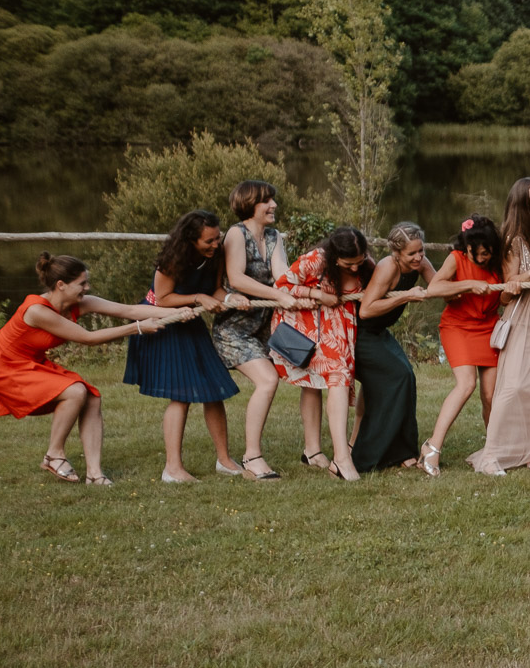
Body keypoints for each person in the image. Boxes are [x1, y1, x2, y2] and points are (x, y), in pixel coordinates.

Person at [0, 252, 188, 485]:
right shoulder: (38, 311)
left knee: (90, 397)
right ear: (61, 285)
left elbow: (129, 311)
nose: (87, 288)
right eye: (82, 283)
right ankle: (54, 454)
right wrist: (137, 329)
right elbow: (88, 338)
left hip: (29, 361)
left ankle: (94, 474)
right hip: (3, 365)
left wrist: (177, 313)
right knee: (75, 391)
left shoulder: (79, 303)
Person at [125, 209, 241, 481]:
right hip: (163, 321)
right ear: (191, 239)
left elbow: (216, 290)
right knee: (182, 393)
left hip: (191, 321)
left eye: (217, 238)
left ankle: (224, 460)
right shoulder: (171, 259)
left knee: (214, 389)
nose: (215, 245)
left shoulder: (217, 254)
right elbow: (162, 299)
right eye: (208, 241)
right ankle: (173, 469)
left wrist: (231, 299)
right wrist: (199, 298)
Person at [470, 177, 530, 475]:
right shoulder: (514, 240)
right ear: (522, 205)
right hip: (525, 315)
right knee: (516, 384)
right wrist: (529, 275)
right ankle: (493, 455)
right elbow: (507, 288)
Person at [270, 225, 374, 481]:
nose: (354, 268)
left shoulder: (365, 263)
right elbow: (281, 287)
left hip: (338, 327)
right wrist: (316, 293)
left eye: (358, 262)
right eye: (348, 263)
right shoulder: (315, 260)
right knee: (332, 380)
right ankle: (339, 458)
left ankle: (313, 452)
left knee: (321, 382)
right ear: (334, 256)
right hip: (308, 327)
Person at [212, 180, 295, 479]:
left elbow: (281, 275)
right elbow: (237, 278)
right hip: (232, 329)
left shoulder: (274, 236)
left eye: (273, 200)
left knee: (301, 369)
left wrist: (299, 293)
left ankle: (314, 451)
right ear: (250, 205)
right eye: (267, 201)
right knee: (268, 380)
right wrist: (279, 297)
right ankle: (252, 457)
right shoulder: (236, 234)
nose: (273, 205)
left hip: (264, 327)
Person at [421, 215, 515, 477]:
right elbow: (433, 288)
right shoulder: (457, 258)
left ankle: (492, 450)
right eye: (479, 253)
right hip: (458, 327)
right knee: (466, 385)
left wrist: (513, 287)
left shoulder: (499, 262)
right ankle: (432, 447)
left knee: (490, 393)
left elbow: (505, 297)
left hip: (487, 328)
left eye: (488, 253)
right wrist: (470, 284)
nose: (483, 258)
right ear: (467, 247)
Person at [350, 221, 437, 473]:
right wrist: (407, 295)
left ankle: (403, 451)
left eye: (421, 250)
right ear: (396, 253)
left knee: (407, 376)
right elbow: (365, 310)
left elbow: (438, 285)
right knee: (397, 377)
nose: (418, 257)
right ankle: (367, 455)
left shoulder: (421, 263)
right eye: (412, 253)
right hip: (362, 333)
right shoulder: (387, 267)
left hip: (379, 332)